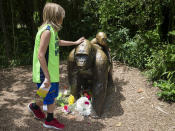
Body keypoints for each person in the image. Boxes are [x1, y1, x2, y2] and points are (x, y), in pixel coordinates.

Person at [28, 2, 85, 130]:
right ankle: (49, 120)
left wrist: (74, 42)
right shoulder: (47, 32)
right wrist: (47, 77)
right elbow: (41, 55)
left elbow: (58, 42)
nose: (62, 19)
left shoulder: (51, 31)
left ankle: (35, 107)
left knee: (45, 94)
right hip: (45, 72)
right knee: (52, 97)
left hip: (50, 71)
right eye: (61, 17)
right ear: (56, 17)